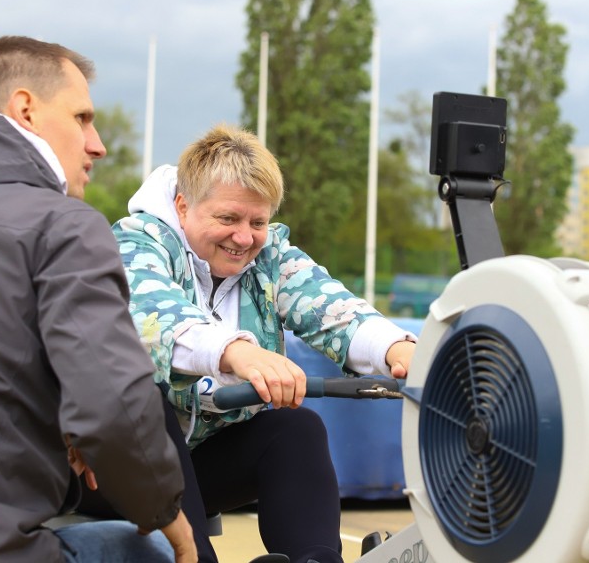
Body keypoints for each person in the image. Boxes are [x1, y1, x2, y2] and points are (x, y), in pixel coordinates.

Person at [0, 36, 196, 562]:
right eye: (83, 117)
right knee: (144, 551)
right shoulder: (61, 224)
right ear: (26, 110)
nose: (98, 144)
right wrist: (163, 510)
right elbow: (113, 404)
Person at [99, 123, 417, 563]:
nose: (244, 237)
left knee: (297, 428)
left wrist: (402, 353)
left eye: (258, 221)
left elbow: (332, 309)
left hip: (198, 466)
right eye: (227, 218)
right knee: (148, 406)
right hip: (110, 472)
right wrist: (239, 354)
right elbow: (154, 319)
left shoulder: (269, 257)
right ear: (183, 205)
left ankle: (316, 559)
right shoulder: (135, 246)